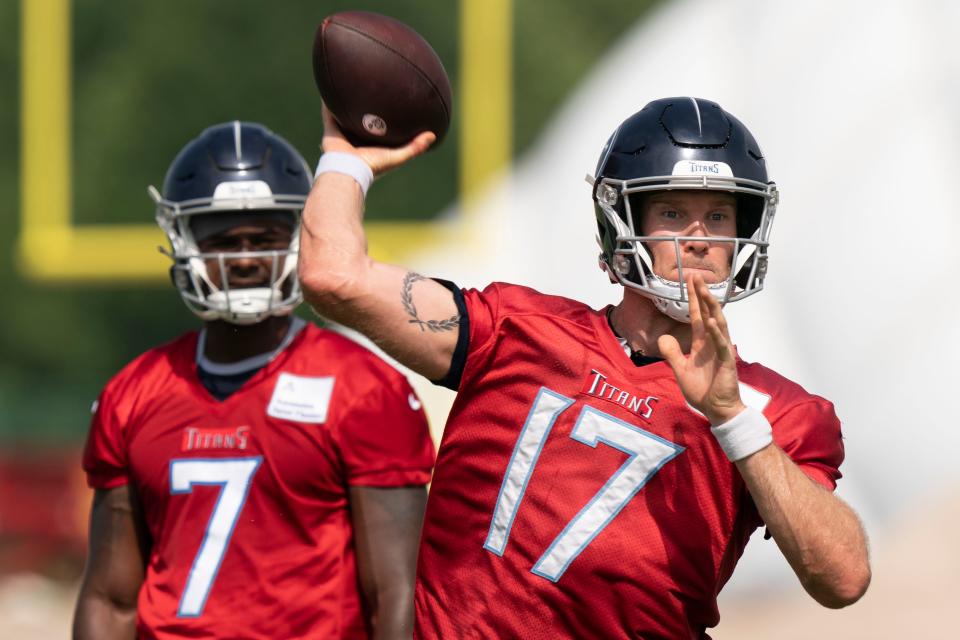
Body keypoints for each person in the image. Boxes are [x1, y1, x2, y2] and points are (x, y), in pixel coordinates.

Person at [299, 97, 871, 639]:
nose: (699, 239)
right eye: (673, 212)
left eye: (718, 215)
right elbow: (333, 276)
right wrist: (346, 162)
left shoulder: (778, 412)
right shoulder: (515, 330)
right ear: (619, 220)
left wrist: (731, 419)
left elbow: (843, 578)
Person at [73, 121, 436, 640]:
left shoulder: (363, 389)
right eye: (224, 240)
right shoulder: (132, 396)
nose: (245, 259)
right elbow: (109, 599)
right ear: (183, 242)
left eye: (265, 239)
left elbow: (399, 594)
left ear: (297, 239)